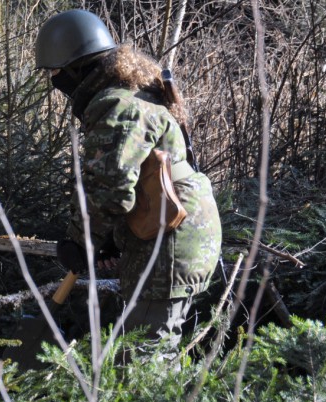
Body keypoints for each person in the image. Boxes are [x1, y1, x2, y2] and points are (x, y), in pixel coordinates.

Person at [35, 10, 222, 359]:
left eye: (55, 72)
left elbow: (111, 187)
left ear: (76, 68)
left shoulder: (116, 105)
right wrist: (109, 237)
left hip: (170, 240)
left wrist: (80, 240)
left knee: (142, 360)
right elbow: (135, 180)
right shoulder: (132, 96)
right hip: (170, 233)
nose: (54, 81)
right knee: (149, 354)